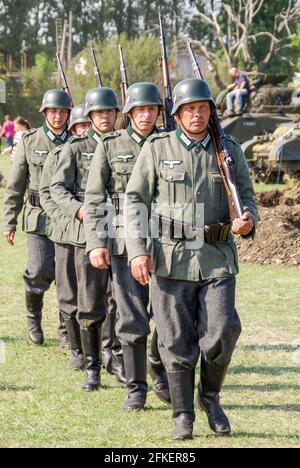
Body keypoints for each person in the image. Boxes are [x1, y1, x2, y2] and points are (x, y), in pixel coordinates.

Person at [125, 78, 258, 439]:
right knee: (174, 339)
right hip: (171, 258)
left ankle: (210, 397)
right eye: (189, 109)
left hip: (217, 256)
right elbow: (135, 201)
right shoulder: (157, 148)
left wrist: (247, 220)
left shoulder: (228, 149)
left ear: (211, 112)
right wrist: (137, 251)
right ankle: (182, 414)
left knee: (222, 330)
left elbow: (246, 196)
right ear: (177, 114)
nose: (197, 115)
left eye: (203, 108)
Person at [83, 82, 171, 411]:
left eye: (152, 109)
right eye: (140, 110)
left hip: (167, 241)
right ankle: (137, 388)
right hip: (122, 241)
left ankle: (158, 368)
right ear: (129, 113)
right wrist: (96, 243)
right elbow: (94, 198)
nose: (147, 115)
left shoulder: (169, 143)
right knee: (132, 318)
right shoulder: (110, 145)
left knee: (168, 318)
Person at [50, 87, 126, 391]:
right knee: (91, 302)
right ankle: (91, 365)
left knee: (119, 300)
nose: (104, 117)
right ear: (90, 116)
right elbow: (57, 189)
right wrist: (80, 211)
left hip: (121, 231)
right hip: (88, 233)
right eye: (98, 113)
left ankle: (114, 355)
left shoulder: (124, 144)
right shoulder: (74, 148)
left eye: (109, 112)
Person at [2, 89, 71, 347]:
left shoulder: (75, 141)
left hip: (67, 220)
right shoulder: (30, 141)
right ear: (44, 113)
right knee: (39, 270)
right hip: (38, 217)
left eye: (62, 111)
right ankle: (34, 319)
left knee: (67, 275)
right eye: (53, 111)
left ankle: (66, 329)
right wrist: (9, 221)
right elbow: (15, 185)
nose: (57, 116)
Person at [40, 104, 91, 371]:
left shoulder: (100, 152)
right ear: (72, 129)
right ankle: (76, 349)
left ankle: (100, 348)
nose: (84, 131)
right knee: (69, 293)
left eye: (87, 126)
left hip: (95, 235)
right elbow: (48, 194)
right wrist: (67, 220)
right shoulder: (60, 153)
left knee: (95, 295)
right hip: (64, 233)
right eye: (80, 127)